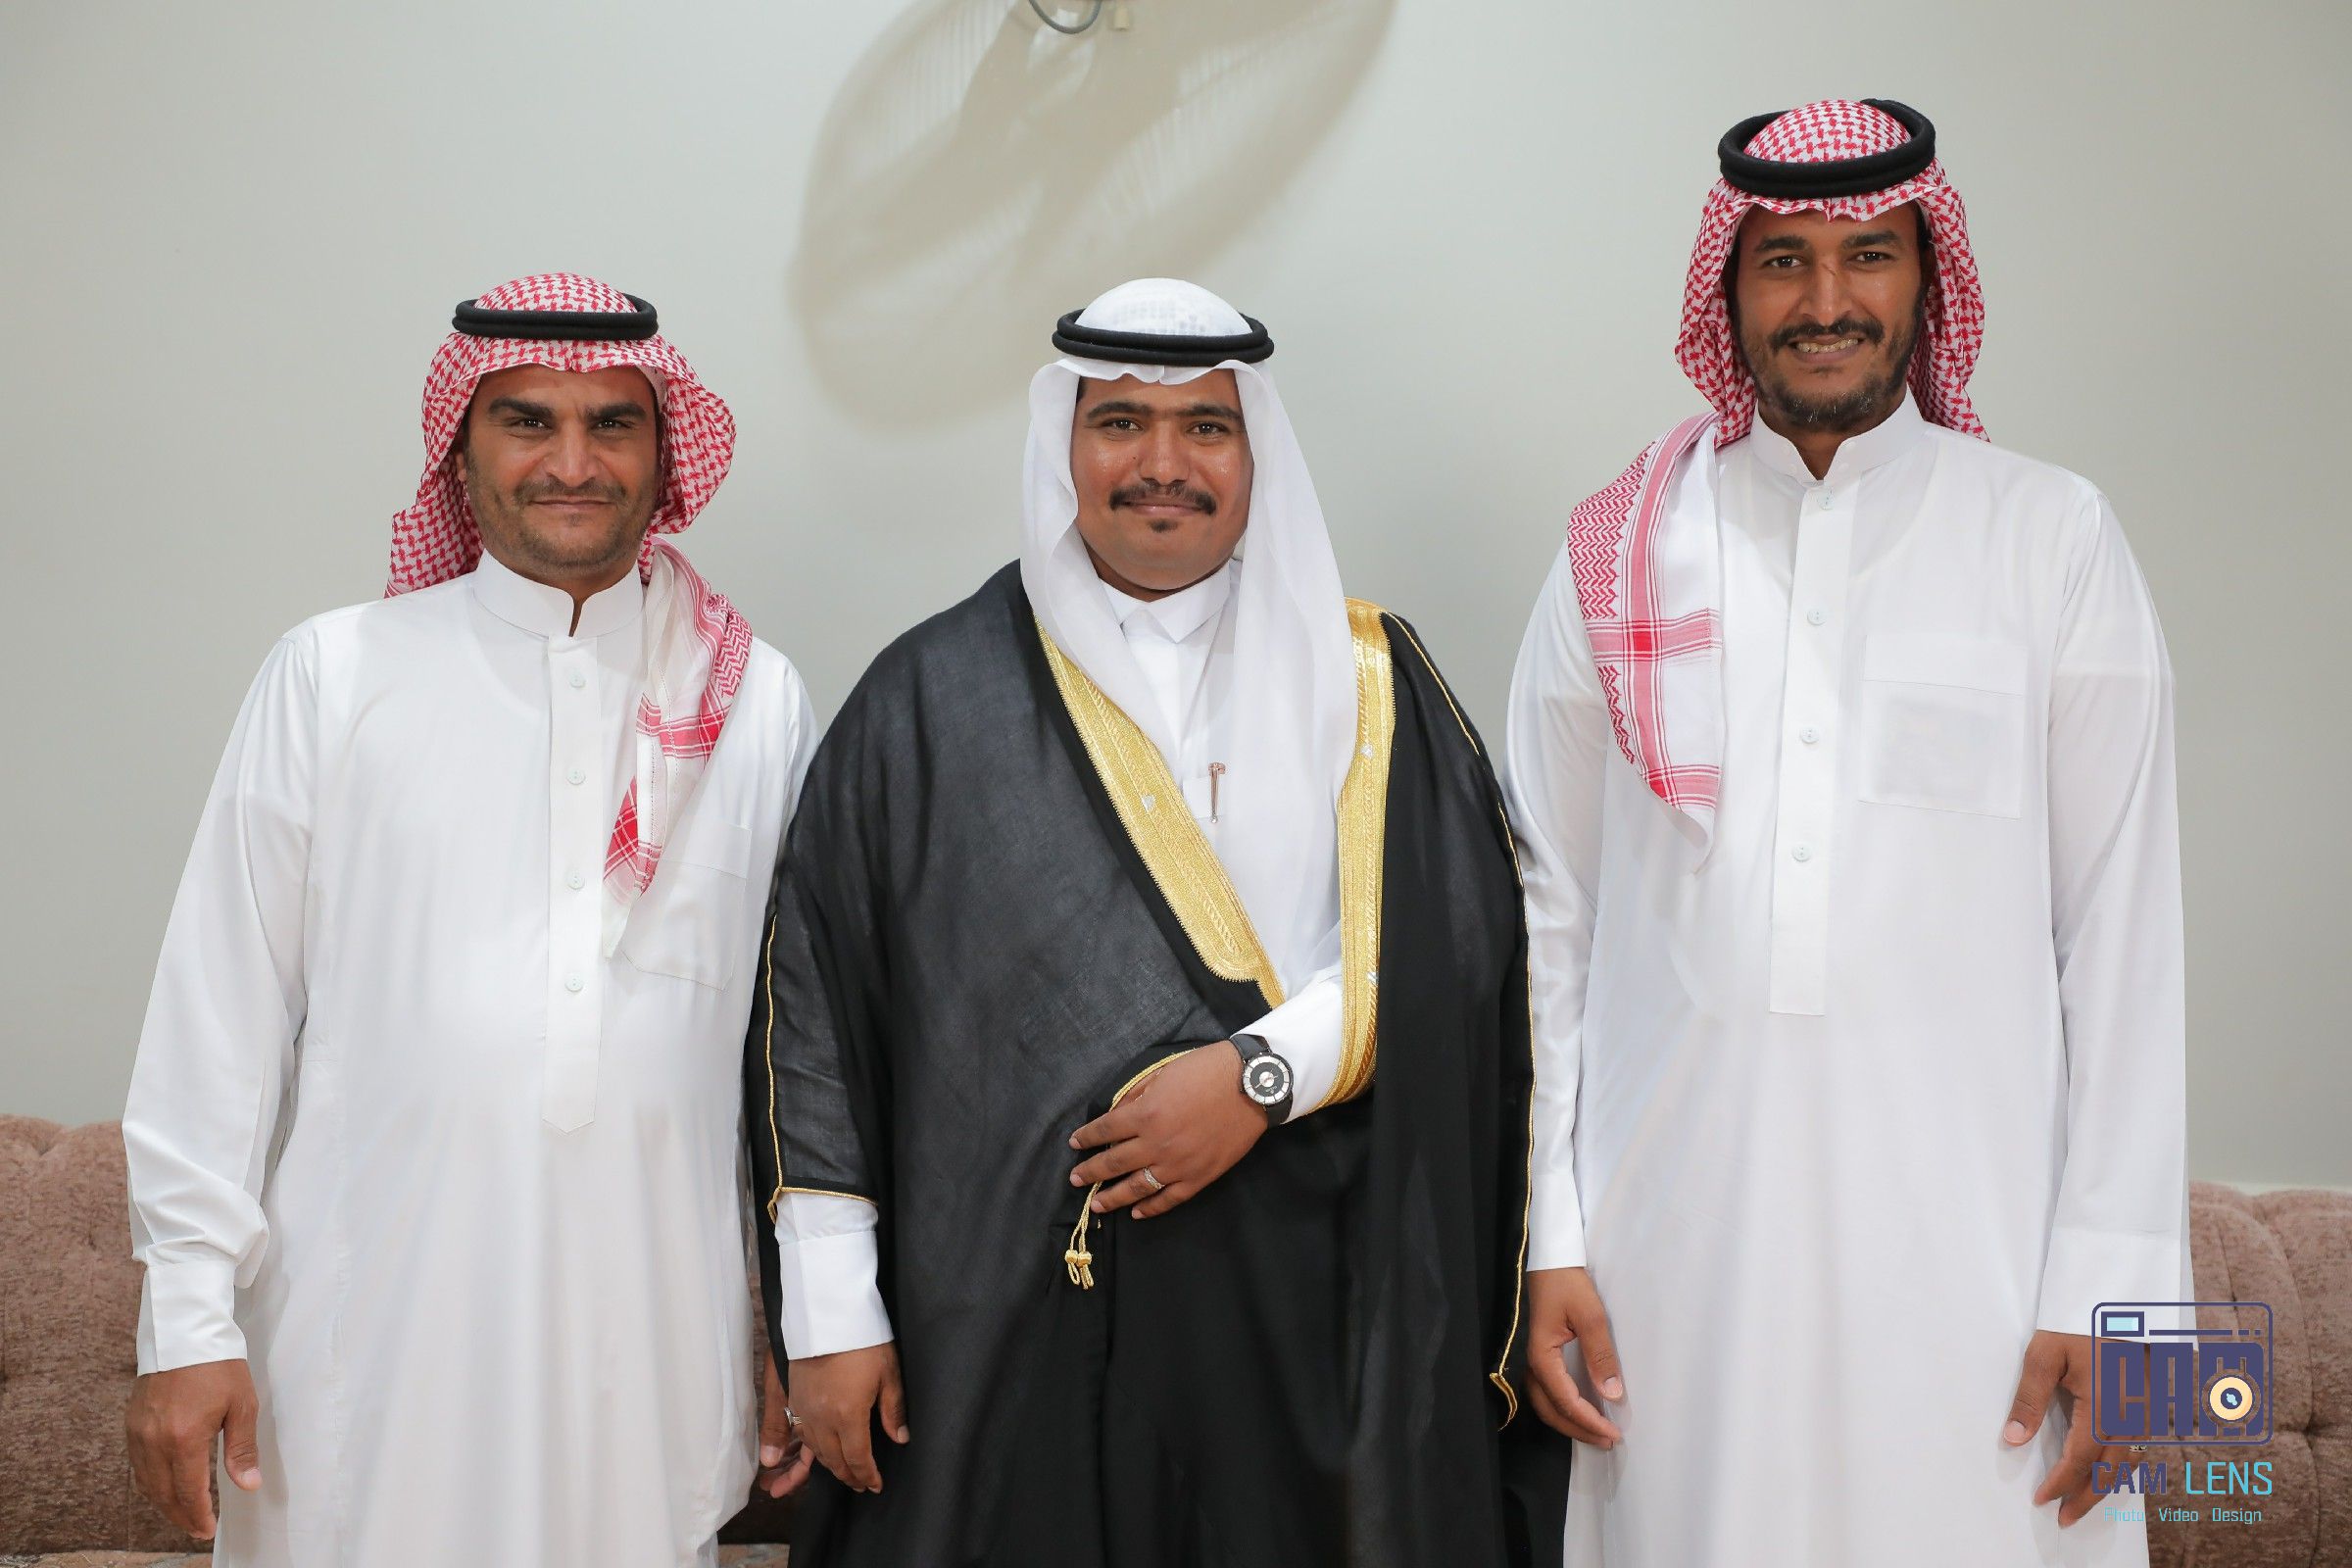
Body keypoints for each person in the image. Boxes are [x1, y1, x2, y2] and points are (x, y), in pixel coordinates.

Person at [748, 278, 1569, 1566]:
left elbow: (1459, 948)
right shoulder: (929, 700)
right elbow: (815, 1017)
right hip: (1007, 1329)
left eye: (1207, 426)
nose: (1163, 464)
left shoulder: (1373, 681)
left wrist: (1258, 1077)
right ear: (1064, 446)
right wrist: (831, 1315)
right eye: (1120, 421)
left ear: (1257, 453)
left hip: (1316, 1316)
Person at [1506, 100, 2188, 1567]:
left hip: (1995, 1277)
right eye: (1783, 261)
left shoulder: (2054, 537)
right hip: (1673, 1266)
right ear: (1728, 291)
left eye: (1868, 254)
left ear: (1928, 278)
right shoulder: (1616, 553)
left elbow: (2129, 944)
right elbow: (1547, 924)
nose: (1827, 300)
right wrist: (1545, 1238)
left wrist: (2132, 1322)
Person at [122, 273, 818, 1566]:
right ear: (459, 449)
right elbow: (220, 1014)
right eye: (526, 420)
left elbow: (798, 1058)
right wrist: (187, 1321)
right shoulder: (334, 674)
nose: (573, 462)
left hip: (645, 1350)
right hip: (367, 1339)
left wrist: (798, 1322)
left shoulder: (755, 700)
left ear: (666, 453)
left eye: (613, 424)